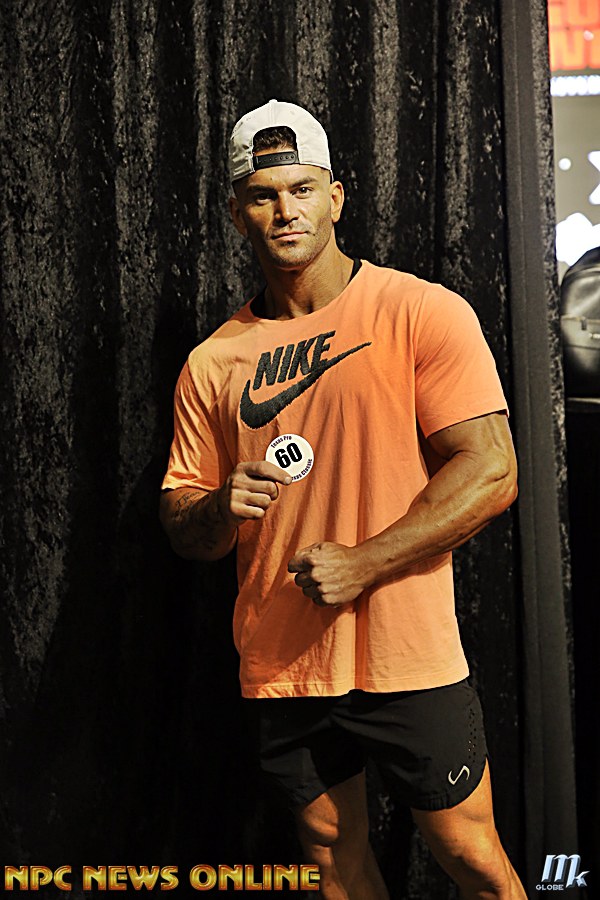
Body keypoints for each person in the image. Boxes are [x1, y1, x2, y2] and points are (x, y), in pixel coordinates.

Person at [160, 99, 526, 899]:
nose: (284, 210)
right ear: (237, 213)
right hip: (284, 663)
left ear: (336, 197)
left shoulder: (419, 311)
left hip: (406, 651)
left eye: (301, 189)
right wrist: (220, 506)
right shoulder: (212, 362)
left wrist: (364, 562)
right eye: (262, 195)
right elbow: (185, 526)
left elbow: (493, 471)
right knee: (331, 858)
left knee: (472, 859)